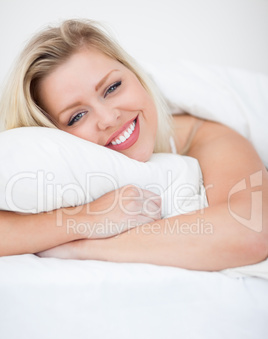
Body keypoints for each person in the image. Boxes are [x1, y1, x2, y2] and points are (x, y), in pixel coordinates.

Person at [0, 19, 267, 270]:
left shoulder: (205, 135)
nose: (108, 118)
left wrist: (86, 247)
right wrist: (86, 219)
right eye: (77, 116)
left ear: (136, 74)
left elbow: (250, 229)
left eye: (113, 87)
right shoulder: (61, 168)